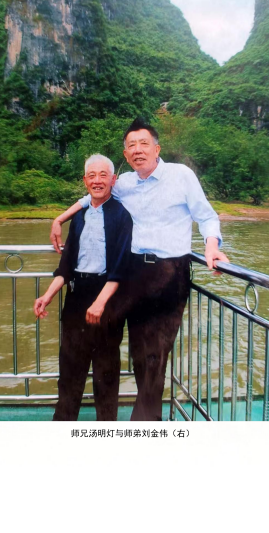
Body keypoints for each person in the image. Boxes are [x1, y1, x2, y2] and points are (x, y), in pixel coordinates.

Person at [51, 118, 230, 421]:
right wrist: (60, 219)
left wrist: (211, 246)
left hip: (168, 274)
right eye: (131, 145)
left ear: (157, 149)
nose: (137, 150)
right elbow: (94, 194)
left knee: (154, 357)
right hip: (132, 274)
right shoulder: (124, 183)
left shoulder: (181, 176)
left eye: (144, 143)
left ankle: (145, 425)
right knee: (136, 352)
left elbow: (207, 217)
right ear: (125, 154)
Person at [34, 154, 133, 421]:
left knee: (106, 374)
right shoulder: (79, 216)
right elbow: (66, 266)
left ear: (113, 180)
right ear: (85, 180)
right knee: (69, 373)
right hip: (76, 298)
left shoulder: (122, 216)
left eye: (103, 175)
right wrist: (47, 295)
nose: (97, 181)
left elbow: (121, 267)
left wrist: (100, 303)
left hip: (107, 300)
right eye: (92, 176)